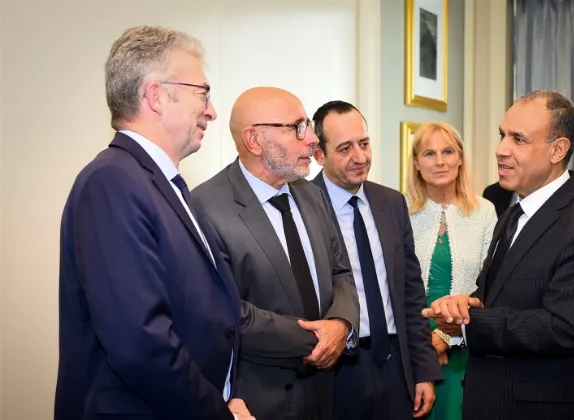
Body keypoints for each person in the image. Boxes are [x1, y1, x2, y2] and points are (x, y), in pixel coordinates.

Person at [55, 26, 252, 420]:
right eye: (203, 93)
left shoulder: (160, 183)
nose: (212, 111)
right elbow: (140, 343)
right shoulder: (112, 182)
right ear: (157, 96)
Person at [424, 90, 574, 419]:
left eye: (518, 139)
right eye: (502, 135)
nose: (501, 149)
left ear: (557, 150)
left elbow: (566, 328)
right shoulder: (513, 214)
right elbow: (499, 296)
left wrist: (468, 324)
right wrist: (466, 304)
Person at [191, 87, 360, 420]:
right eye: (298, 127)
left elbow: (340, 271)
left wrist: (341, 324)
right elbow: (224, 311)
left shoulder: (312, 195)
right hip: (257, 400)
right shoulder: (205, 207)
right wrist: (318, 339)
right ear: (254, 140)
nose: (312, 139)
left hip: (325, 393)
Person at [310, 101, 442, 419]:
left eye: (364, 143)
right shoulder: (304, 206)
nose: (360, 157)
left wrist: (423, 369)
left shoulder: (391, 202)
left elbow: (411, 291)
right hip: (337, 371)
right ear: (319, 154)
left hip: (396, 366)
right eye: (345, 149)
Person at [405, 121, 497, 420]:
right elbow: (392, 285)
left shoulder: (485, 212)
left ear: (460, 158)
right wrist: (424, 345)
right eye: (429, 153)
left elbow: (491, 285)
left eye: (448, 152)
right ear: (416, 163)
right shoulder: (399, 210)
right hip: (410, 344)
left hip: (465, 343)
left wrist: (445, 338)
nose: (440, 161)